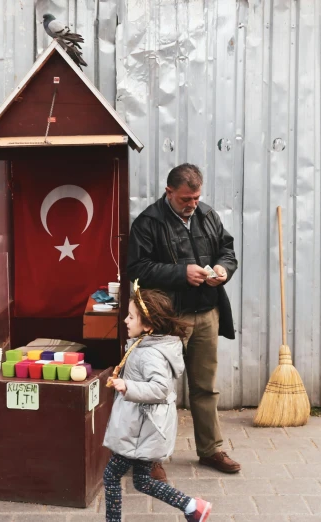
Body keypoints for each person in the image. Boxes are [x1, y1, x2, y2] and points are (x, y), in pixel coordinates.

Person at [126, 163, 239, 481]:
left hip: (206, 315)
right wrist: (180, 273)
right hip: (167, 321)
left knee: (205, 388)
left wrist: (222, 270)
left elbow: (227, 251)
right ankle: (150, 457)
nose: (192, 205)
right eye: (185, 199)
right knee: (157, 391)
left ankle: (211, 449)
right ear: (169, 192)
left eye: (196, 198)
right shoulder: (148, 222)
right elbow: (136, 269)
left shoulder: (208, 215)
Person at [102, 283, 211, 522]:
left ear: (149, 325)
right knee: (142, 480)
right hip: (144, 424)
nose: (126, 321)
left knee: (111, 476)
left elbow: (161, 388)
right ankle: (193, 506)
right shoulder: (144, 345)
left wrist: (127, 386)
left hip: (141, 427)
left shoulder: (150, 353)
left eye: (131, 317)